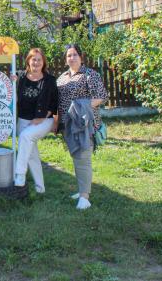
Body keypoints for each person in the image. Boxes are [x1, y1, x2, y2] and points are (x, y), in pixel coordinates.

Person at [55, 44, 108, 210]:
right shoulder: (62, 77)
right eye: (69, 55)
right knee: (76, 157)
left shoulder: (89, 74)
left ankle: (85, 197)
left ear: (81, 57)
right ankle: (82, 190)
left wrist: (79, 108)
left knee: (83, 159)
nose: (72, 58)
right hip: (67, 124)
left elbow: (101, 97)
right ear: (66, 59)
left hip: (83, 124)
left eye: (75, 55)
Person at [12, 48, 58, 193]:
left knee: (26, 137)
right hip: (23, 121)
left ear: (43, 62)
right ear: (28, 61)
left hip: (44, 121)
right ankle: (40, 188)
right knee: (31, 154)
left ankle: (19, 174)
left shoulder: (50, 80)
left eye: (39, 59)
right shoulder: (20, 76)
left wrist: (41, 118)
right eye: (33, 59)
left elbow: (54, 104)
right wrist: (11, 81)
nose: (36, 62)